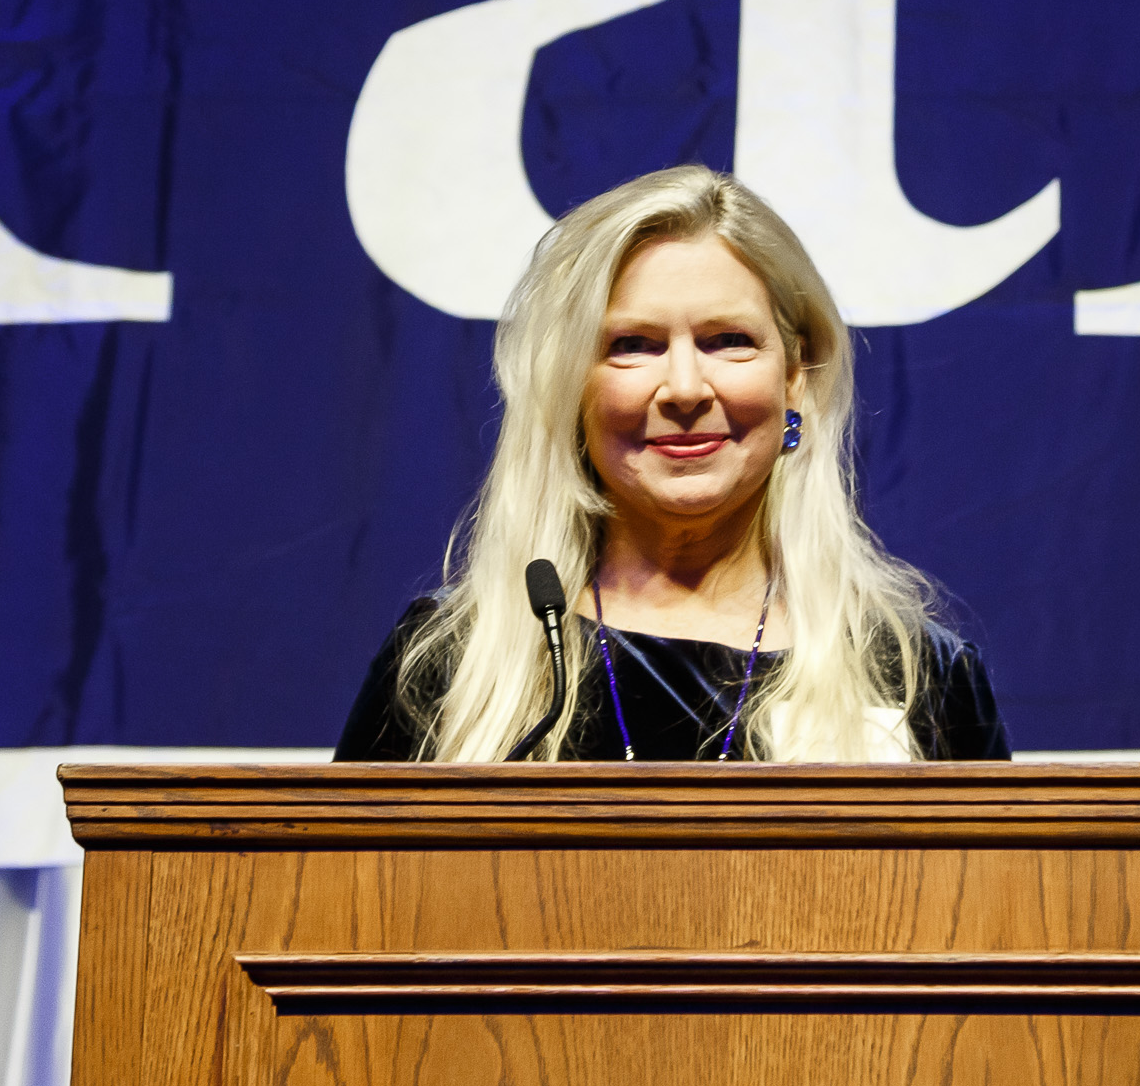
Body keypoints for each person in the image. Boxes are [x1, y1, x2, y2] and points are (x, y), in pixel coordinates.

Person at [336, 165, 1008, 762]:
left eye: (728, 341)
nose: (685, 388)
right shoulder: (451, 660)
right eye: (634, 344)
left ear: (798, 372)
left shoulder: (917, 674)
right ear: (573, 384)